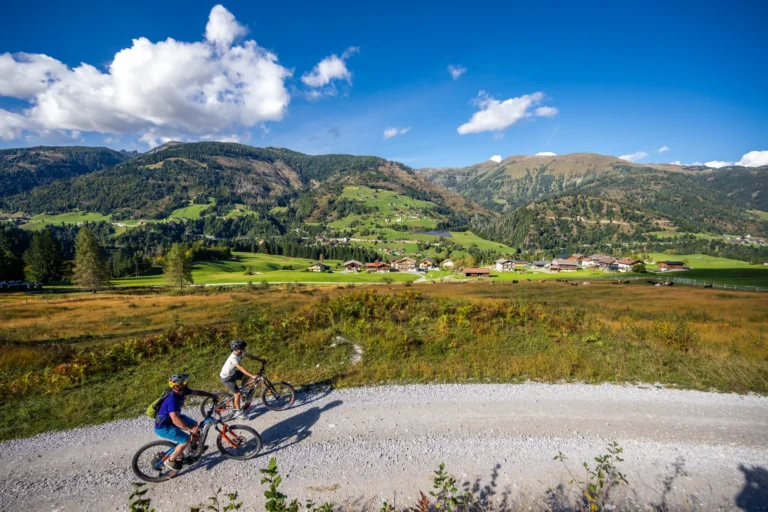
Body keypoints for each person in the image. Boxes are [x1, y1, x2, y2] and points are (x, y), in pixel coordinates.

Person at [154, 373, 216, 471]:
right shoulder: (172, 399)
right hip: (164, 426)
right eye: (184, 383)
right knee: (185, 440)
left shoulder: (181, 391)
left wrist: (211, 395)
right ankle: (170, 460)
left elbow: (196, 392)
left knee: (195, 424)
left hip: (172, 419)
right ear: (177, 386)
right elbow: (175, 419)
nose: (186, 384)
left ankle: (192, 448)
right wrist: (189, 429)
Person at [219, 340, 263, 419]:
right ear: (236, 349)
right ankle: (238, 412)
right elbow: (240, 367)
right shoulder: (233, 357)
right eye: (242, 348)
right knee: (237, 394)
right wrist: (252, 375)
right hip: (227, 378)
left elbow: (250, 356)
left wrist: (260, 360)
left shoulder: (240, 353)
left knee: (246, 376)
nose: (243, 349)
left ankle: (241, 387)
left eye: (243, 348)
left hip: (232, 373)